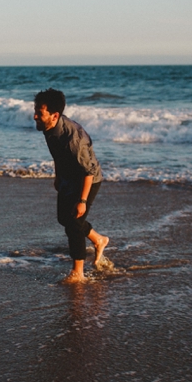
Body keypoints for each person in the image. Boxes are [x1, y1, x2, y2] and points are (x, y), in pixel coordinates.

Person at [33, 88, 110, 283]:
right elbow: (57, 154)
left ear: (54, 115)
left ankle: (78, 272)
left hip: (88, 179)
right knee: (63, 219)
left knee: (74, 222)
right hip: (68, 177)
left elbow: (88, 172)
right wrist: (58, 176)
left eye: (39, 113)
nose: (35, 116)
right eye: (35, 111)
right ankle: (99, 240)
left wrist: (82, 200)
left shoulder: (73, 138)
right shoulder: (48, 127)